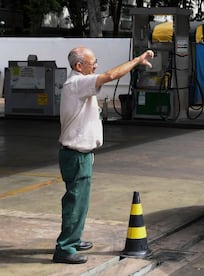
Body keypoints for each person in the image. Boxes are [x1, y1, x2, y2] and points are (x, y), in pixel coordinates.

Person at [53, 46, 154, 264]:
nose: (96, 65)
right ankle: (65, 247)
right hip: (76, 156)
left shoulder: (80, 84)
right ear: (79, 66)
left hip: (80, 154)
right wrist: (137, 60)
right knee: (76, 203)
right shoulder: (77, 83)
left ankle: (73, 238)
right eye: (92, 62)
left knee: (80, 202)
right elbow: (110, 76)